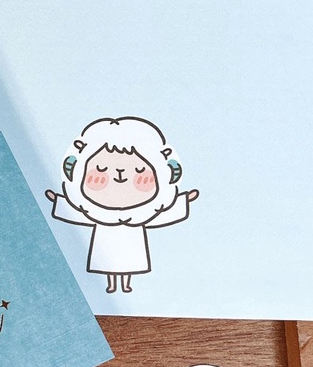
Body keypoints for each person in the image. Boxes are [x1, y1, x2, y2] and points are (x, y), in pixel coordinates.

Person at [45, 116, 198, 293]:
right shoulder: (95, 214)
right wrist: (58, 200)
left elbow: (161, 214)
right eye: (101, 171)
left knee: (129, 261)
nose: (120, 175)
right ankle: (111, 284)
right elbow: (78, 213)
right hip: (105, 238)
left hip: (133, 239)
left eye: (139, 172)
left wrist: (183, 200)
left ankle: (126, 284)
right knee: (107, 261)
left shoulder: (144, 214)